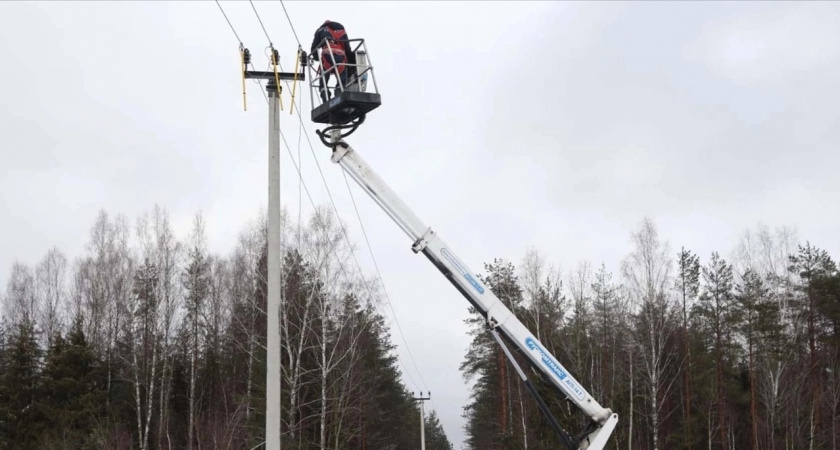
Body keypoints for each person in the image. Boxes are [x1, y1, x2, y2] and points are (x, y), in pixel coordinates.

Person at [310, 20, 356, 102]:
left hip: (327, 55)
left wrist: (316, 58)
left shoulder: (320, 30)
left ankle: (325, 93)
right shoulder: (342, 30)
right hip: (340, 56)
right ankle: (339, 91)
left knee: (324, 77)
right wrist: (350, 61)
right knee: (342, 78)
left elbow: (314, 47)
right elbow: (347, 47)